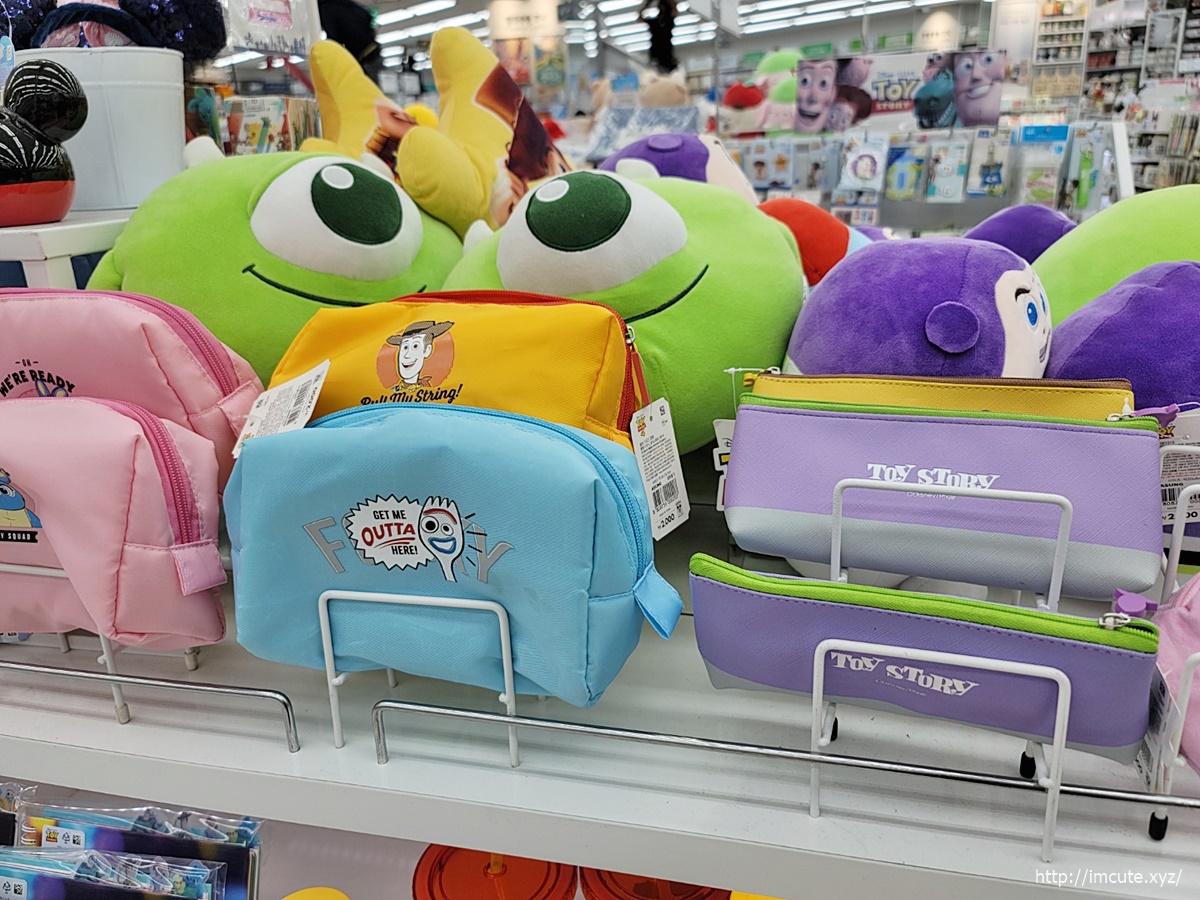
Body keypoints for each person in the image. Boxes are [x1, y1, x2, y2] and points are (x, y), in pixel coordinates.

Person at [317, 0, 383, 85]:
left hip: (363, 57)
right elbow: (368, 17)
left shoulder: (325, 9)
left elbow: (333, 39)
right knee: (373, 89)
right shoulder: (344, 3)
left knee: (364, 89)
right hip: (374, 49)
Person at [638, 0, 677, 74]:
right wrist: (647, 4)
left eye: (662, 6)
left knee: (665, 69)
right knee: (655, 69)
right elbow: (640, 17)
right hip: (655, 51)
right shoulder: (655, 22)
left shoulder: (669, 20)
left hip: (666, 52)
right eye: (659, 6)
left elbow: (674, 8)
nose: (661, 8)